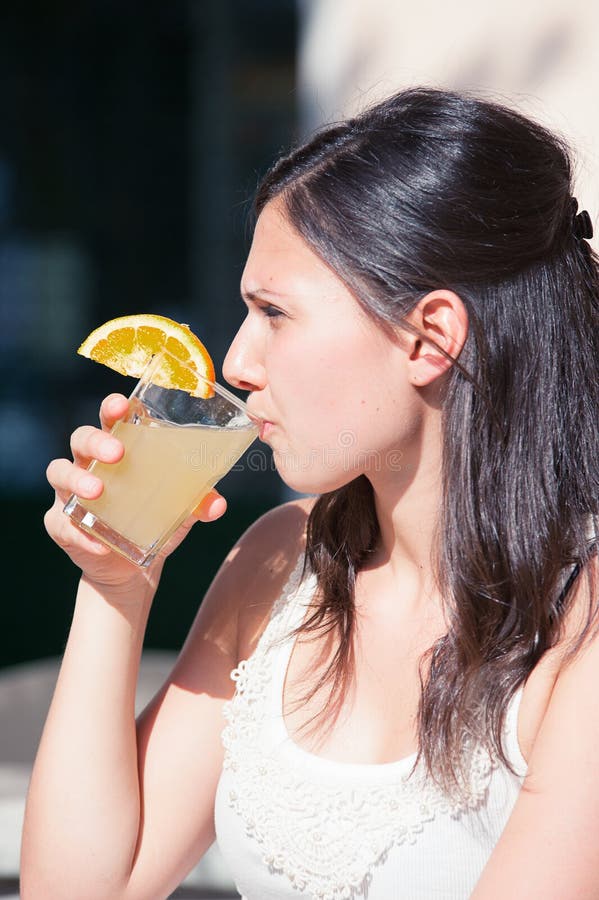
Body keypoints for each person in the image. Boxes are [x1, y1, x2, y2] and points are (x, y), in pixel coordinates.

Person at [21, 87, 599, 899]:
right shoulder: (280, 561)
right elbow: (83, 890)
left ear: (429, 337)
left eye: (274, 313)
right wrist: (115, 580)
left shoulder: (579, 628)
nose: (236, 362)